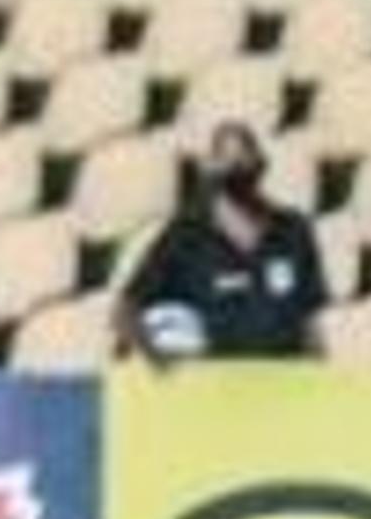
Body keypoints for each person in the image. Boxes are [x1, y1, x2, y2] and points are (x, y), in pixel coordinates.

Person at [120, 126, 336, 365]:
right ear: (209, 169)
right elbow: (127, 308)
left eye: (243, 158)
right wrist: (157, 361)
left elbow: (310, 319)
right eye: (226, 159)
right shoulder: (184, 236)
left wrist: (321, 373)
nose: (236, 167)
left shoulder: (294, 230)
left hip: (283, 385)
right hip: (213, 389)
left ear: (261, 165)